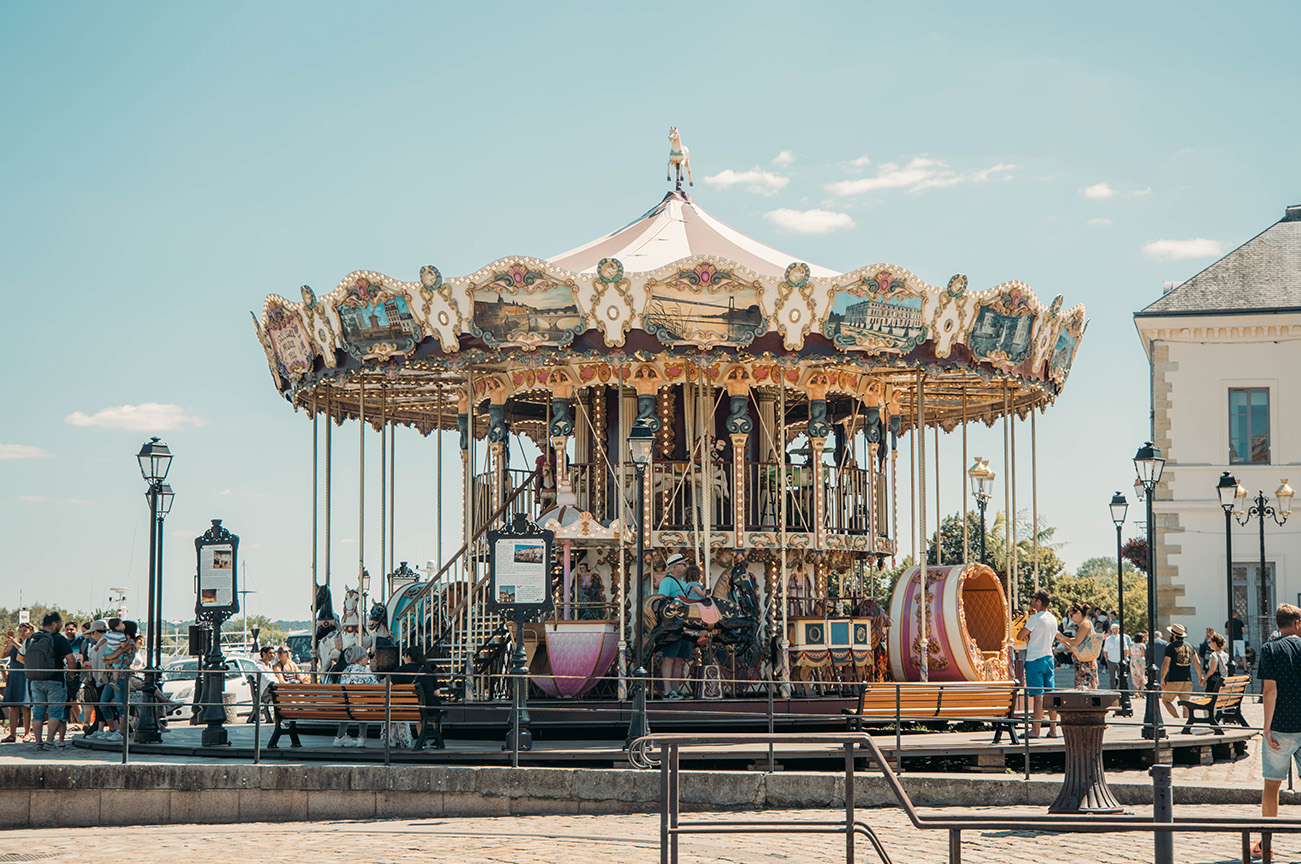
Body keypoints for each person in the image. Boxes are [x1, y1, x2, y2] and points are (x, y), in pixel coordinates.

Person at [1256, 603, 1301, 858]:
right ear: (1296, 623)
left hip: (1281, 726)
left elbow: (1269, 690)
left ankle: (1267, 843)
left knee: (1272, 786)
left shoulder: (1270, 649)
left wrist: (1267, 727)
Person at [21, 611, 77, 750]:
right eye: (59, 623)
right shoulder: (59, 639)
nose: (60, 625)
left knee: (38, 712)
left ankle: (38, 742)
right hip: (55, 680)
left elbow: (20, 658)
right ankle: (50, 742)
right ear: (54, 623)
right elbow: (71, 659)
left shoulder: (31, 638)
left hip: (34, 680)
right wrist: (72, 673)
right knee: (55, 712)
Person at [655, 553, 706, 700]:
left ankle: (676, 690)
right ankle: (667, 691)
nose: (685, 567)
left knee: (679, 659)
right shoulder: (667, 581)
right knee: (669, 658)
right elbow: (661, 601)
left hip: (685, 625)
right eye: (683, 564)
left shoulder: (684, 583)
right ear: (675, 566)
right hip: (673, 625)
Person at [1016, 589, 1058, 738]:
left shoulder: (1034, 619)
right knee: (1050, 694)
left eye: (1033, 598)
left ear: (1039, 601)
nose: (1031, 600)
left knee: (1038, 696)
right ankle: (1053, 730)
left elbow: (1020, 635)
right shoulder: (1053, 618)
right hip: (1048, 658)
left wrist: (1028, 636)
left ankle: (1036, 730)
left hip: (1034, 659)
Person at [334, 645, 377, 747]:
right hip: (362, 708)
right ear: (360, 659)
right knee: (363, 704)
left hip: (347, 707)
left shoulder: (345, 671)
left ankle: (340, 737)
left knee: (350, 706)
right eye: (366, 657)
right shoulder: (365, 671)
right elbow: (376, 687)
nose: (367, 659)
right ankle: (362, 737)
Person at [1159, 622, 1201, 719]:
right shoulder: (1190, 646)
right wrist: (1200, 677)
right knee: (1186, 704)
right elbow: (1197, 663)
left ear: (1173, 635)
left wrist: (1162, 679)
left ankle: (1177, 718)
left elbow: (1166, 664)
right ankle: (1186, 723)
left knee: (1166, 701)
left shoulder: (1171, 647)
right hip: (1187, 680)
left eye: (1170, 634)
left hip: (1174, 679)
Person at [1054, 602, 1099, 689]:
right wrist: (1064, 642)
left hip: (1086, 664)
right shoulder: (1083, 624)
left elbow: (1076, 641)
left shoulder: (1085, 624)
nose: (1070, 619)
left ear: (1078, 613)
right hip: (1083, 663)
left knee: (1086, 693)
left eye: (1071, 615)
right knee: (1082, 692)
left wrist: (1062, 636)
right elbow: (1076, 647)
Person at [2, 623, 34, 743]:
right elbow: (2, 656)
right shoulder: (14, 645)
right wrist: (5, 646)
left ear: (30, 631)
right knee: (13, 706)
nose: (22, 633)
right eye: (20, 630)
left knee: (26, 706)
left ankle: (27, 733)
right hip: (14, 675)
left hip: (25, 675)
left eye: (25, 630)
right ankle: (12, 734)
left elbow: (25, 653)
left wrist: (14, 643)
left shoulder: (32, 642)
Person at [1102, 623, 1131, 690]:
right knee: (1112, 677)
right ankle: (1113, 689)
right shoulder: (1108, 639)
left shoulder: (1122, 638)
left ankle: (1122, 689)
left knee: (1122, 676)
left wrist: (1125, 657)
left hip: (1120, 660)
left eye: (1117, 629)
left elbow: (1125, 648)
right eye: (1114, 629)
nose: (1116, 630)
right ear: (1111, 630)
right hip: (1111, 660)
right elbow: (1105, 650)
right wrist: (1107, 659)